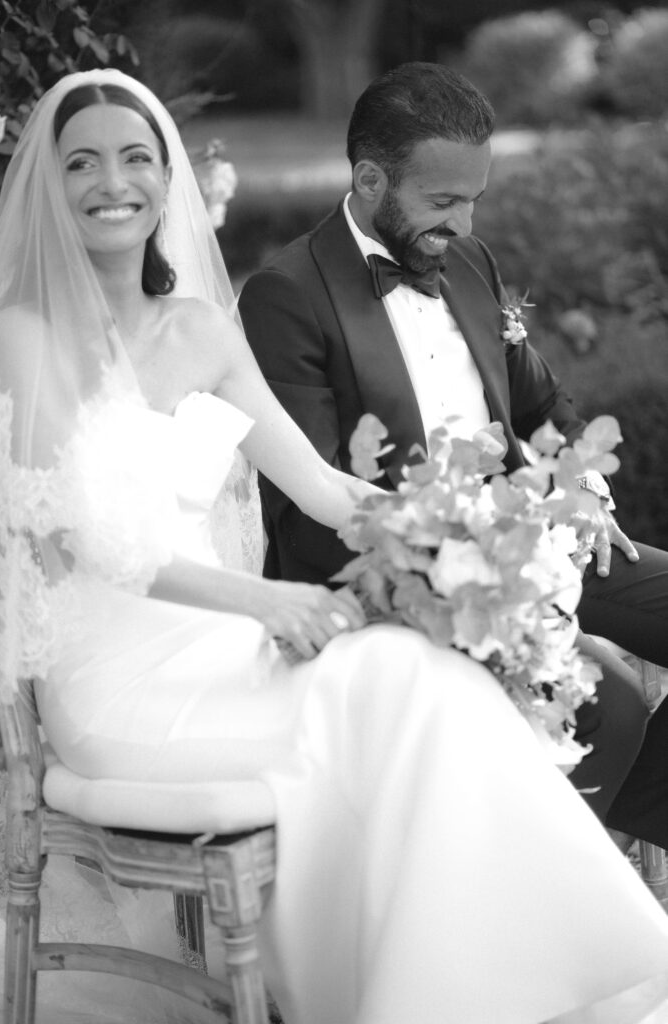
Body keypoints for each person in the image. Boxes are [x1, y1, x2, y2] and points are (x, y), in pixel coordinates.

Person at [0, 68, 668, 1024]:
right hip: (111, 680)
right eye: (82, 163)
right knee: (398, 692)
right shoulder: (24, 332)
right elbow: (72, 542)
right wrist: (270, 603)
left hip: (221, 651)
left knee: (421, 676)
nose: (114, 181)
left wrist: (460, 546)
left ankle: (477, 993)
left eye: (136, 157)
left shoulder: (200, 329)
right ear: (48, 185)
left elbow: (326, 488)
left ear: (166, 176)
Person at [238, 60, 668, 835]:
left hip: (540, 544)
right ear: (370, 180)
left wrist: (579, 492)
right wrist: (472, 563)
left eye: (474, 200)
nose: (465, 226)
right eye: (442, 202)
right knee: (605, 699)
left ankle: (596, 833)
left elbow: (544, 406)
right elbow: (310, 512)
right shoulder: (285, 296)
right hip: (404, 584)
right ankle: (538, 868)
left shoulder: (467, 261)